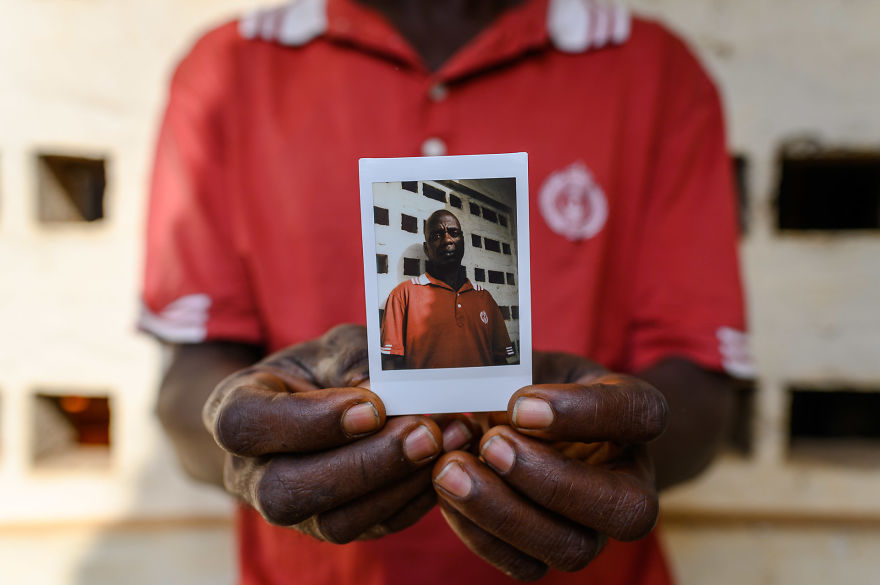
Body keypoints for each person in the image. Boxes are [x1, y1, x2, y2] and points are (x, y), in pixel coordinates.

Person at [140, 0, 752, 584]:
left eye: (460, 233)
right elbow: (187, 388)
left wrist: (601, 436)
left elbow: (700, 393)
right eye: (442, 235)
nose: (452, 242)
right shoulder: (229, 70)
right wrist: (252, 437)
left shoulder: (653, 70)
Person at [381, 209, 514, 369]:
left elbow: (501, 362)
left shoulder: (485, 298)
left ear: (463, 241)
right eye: (436, 236)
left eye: (454, 233)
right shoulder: (402, 295)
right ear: (426, 249)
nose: (447, 240)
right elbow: (391, 365)